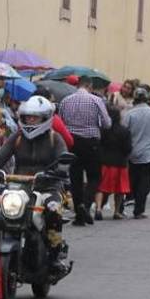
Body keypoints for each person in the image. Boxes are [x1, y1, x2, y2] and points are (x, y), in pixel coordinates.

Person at [56, 76, 110, 226]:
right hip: (91, 142)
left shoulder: (66, 101)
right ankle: (85, 205)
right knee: (95, 177)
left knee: (76, 177)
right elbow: (106, 123)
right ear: (89, 86)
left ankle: (79, 212)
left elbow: (61, 122)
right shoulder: (96, 100)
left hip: (72, 142)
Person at [0, 95, 68, 175]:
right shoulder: (18, 136)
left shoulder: (54, 137)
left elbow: (63, 158)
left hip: (49, 183)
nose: (31, 119)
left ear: (45, 118)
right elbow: (0, 157)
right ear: (23, 117)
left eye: (36, 117)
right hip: (18, 183)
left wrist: (62, 169)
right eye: (28, 116)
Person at [123, 87, 150, 219]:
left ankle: (134, 199)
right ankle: (139, 209)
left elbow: (124, 132)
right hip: (149, 154)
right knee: (145, 182)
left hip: (132, 154)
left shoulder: (130, 114)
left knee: (134, 180)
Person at [94, 107, 132, 220]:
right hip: (120, 163)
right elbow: (128, 148)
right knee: (120, 190)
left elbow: (99, 145)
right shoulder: (125, 131)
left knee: (100, 187)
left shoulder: (103, 130)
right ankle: (116, 211)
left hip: (105, 162)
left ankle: (98, 209)